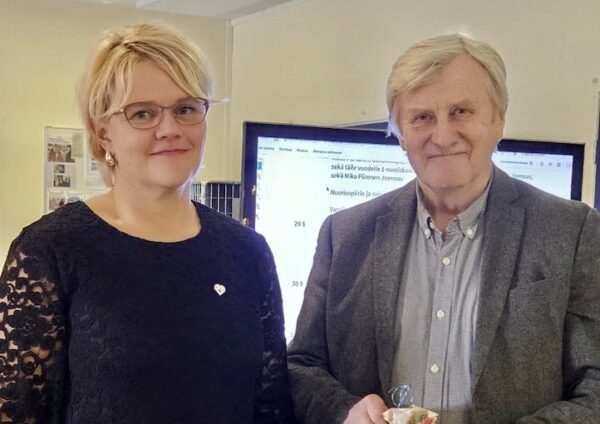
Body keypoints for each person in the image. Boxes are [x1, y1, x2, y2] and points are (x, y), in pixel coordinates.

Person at [287, 33, 600, 423]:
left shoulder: (571, 232)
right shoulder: (345, 234)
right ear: (399, 133)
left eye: (461, 111)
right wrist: (344, 411)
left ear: (499, 118)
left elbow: (595, 388)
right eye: (422, 117)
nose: (443, 135)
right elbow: (302, 367)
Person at [0, 22, 294, 423]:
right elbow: (19, 413)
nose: (169, 129)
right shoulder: (50, 251)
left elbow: (273, 408)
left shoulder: (247, 252)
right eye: (142, 113)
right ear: (103, 133)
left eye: (186, 109)